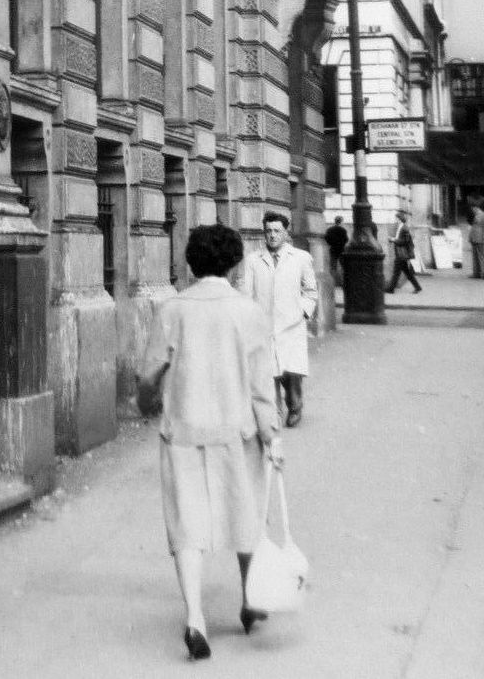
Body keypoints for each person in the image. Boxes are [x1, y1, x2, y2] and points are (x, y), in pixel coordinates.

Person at [137, 224, 282, 662]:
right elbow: (262, 385)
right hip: (237, 431)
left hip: (183, 430)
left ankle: (196, 617)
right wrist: (271, 434)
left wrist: (148, 404)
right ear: (235, 262)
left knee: (187, 525)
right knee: (245, 514)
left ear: (191, 263)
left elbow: (150, 375)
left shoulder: (172, 310)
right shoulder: (249, 311)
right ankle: (249, 600)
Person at [242, 211, 319, 427]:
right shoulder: (253, 261)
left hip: (291, 324)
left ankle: (295, 406)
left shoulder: (301, 258)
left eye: (277, 231)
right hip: (264, 325)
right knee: (268, 373)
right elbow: (246, 293)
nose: (272, 236)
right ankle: (272, 412)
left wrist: (303, 312)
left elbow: (311, 291)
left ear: (286, 232)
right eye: (268, 231)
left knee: (291, 373)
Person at [386, 210, 422, 294]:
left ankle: (391, 289)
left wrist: (393, 239)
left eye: (396, 218)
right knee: (406, 273)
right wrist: (394, 239)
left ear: (399, 219)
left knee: (397, 272)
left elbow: (404, 241)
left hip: (401, 254)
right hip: (400, 253)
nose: (395, 219)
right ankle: (417, 287)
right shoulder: (401, 227)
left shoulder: (404, 228)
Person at [324, 215, 349, 287]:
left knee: (333, 267)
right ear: (341, 222)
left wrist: (331, 244)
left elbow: (326, 238)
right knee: (343, 267)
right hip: (341, 250)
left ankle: (332, 283)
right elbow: (346, 240)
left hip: (333, 249)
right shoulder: (343, 230)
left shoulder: (330, 229)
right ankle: (343, 283)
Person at [469, 199, 484, 279]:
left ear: (476, 208)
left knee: (481, 257)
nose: (472, 210)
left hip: (480, 239)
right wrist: (470, 237)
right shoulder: (476, 215)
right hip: (474, 239)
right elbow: (473, 227)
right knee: (475, 257)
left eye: (473, 209)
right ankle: (476, 273)